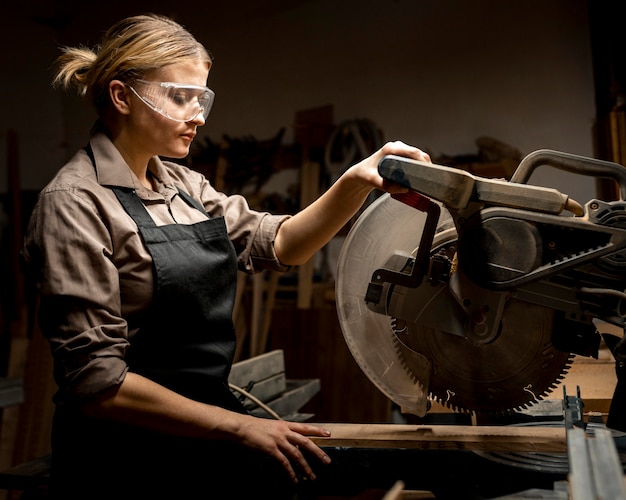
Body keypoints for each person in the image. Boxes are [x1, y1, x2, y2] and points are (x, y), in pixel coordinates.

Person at [20, 13, 431, 499]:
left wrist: (357, 180)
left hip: (201, 440)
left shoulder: (181, 184)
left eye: (202, 98)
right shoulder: (74, 203)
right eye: (181, 97)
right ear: (121, 96)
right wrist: (239, 427)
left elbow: (281, 245)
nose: (198, 115)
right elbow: (97, 382)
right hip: (123, 462)